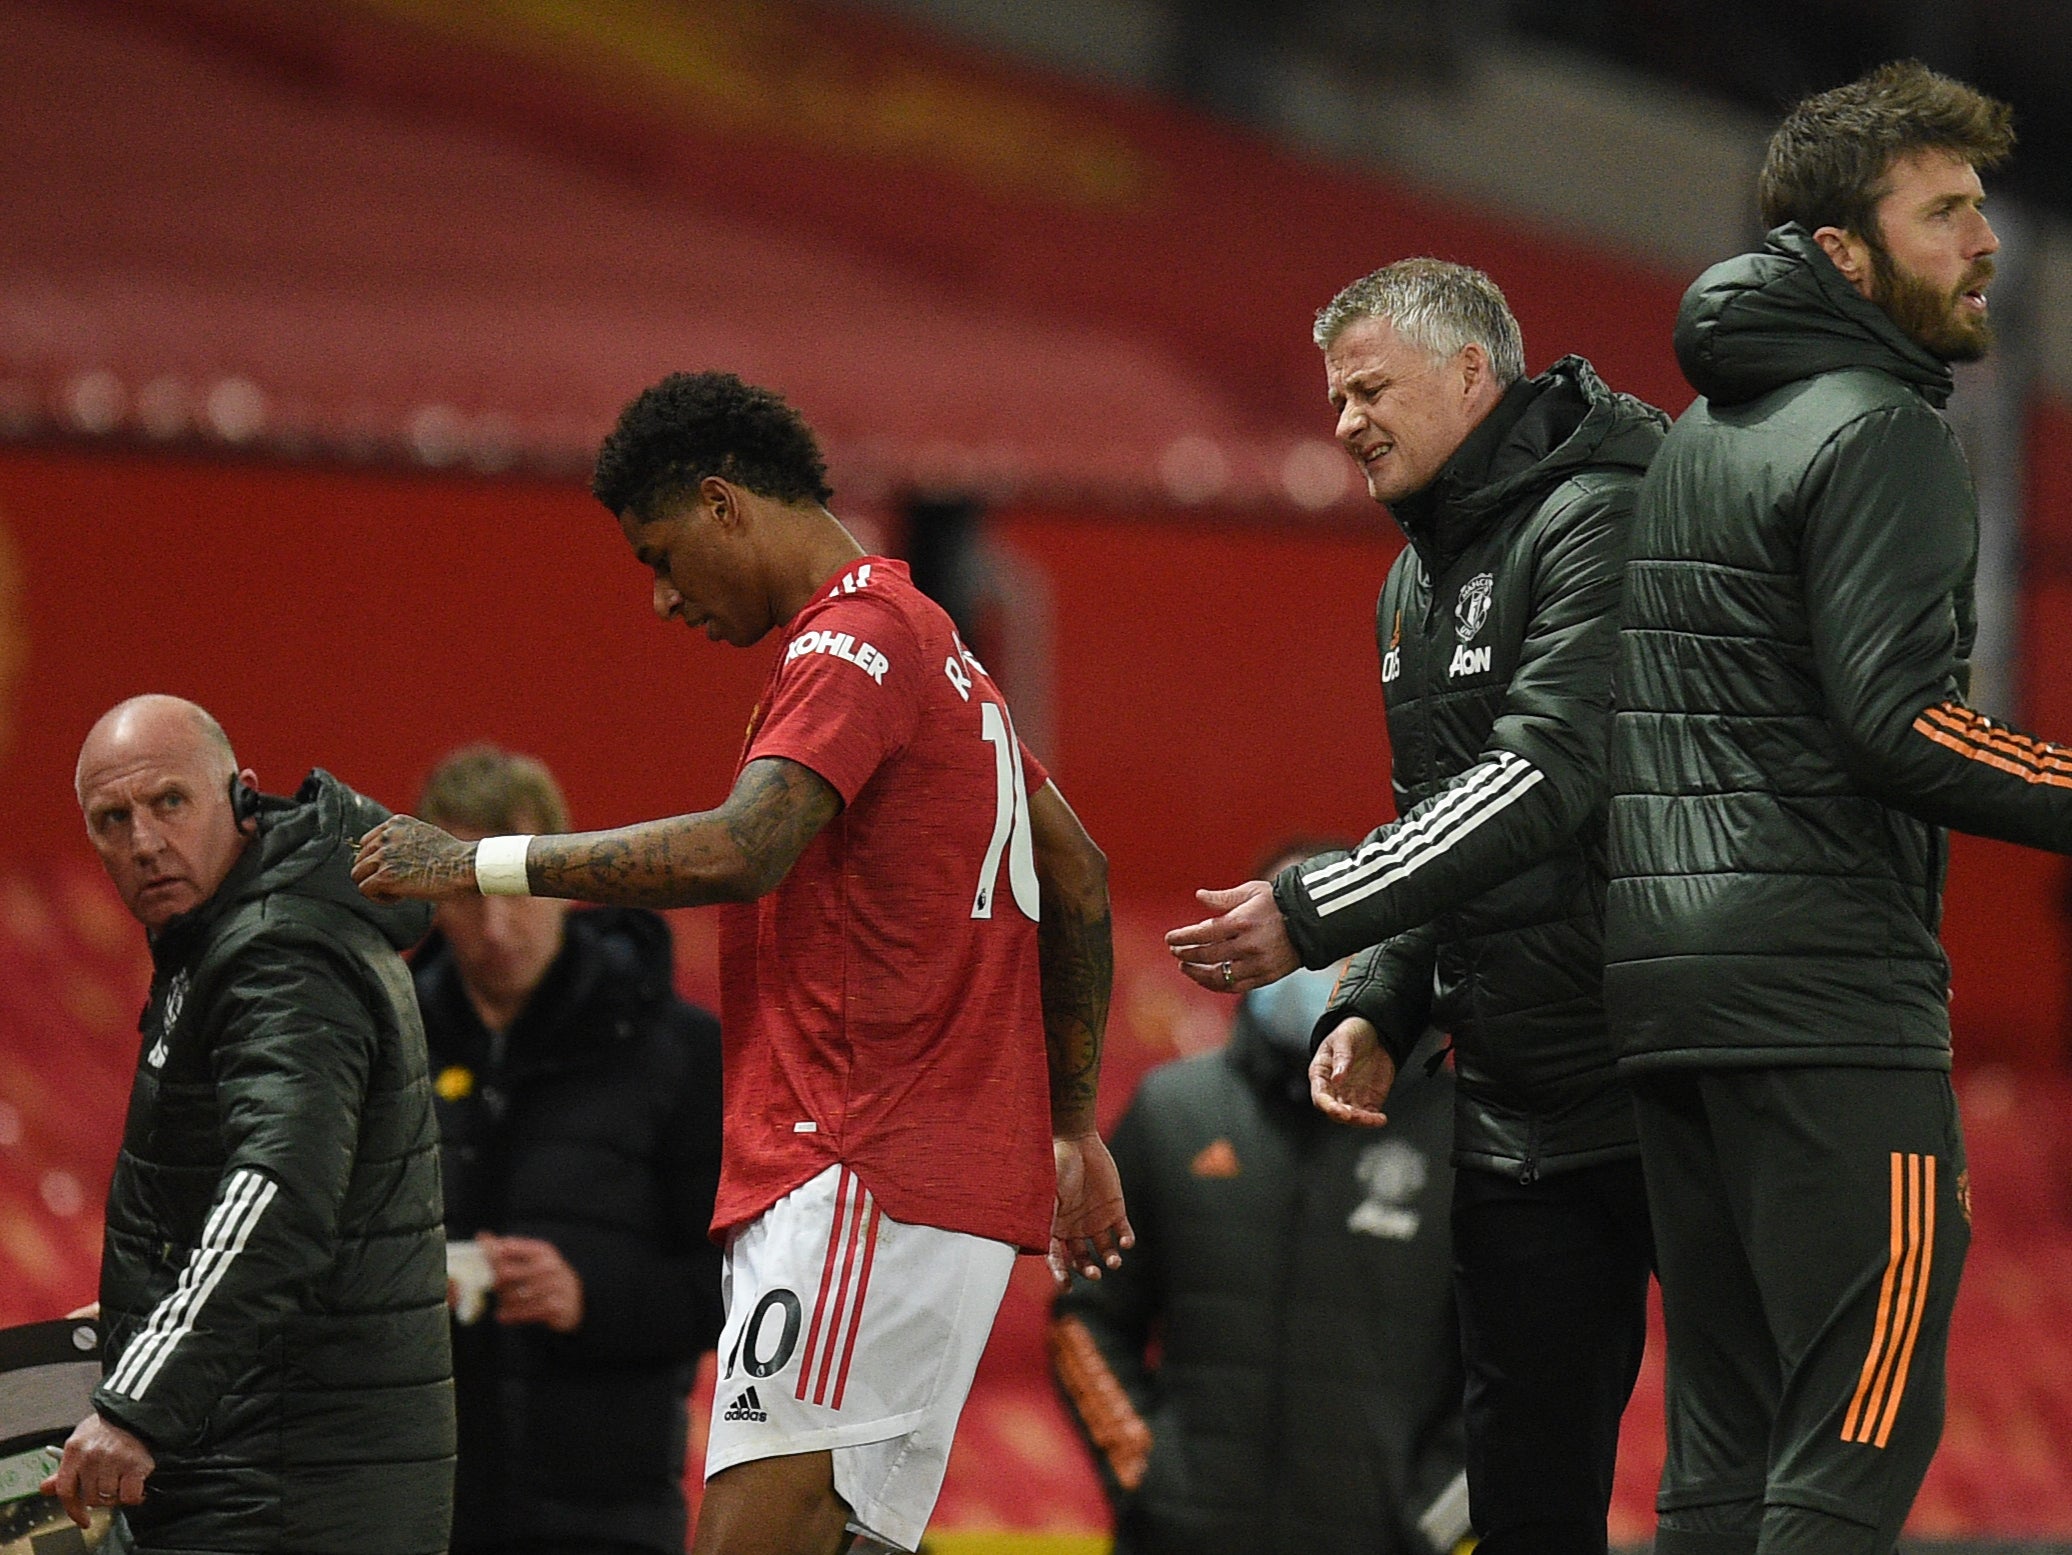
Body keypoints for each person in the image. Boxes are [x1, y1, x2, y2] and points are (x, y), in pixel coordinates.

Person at [353, 371, 1132, 1555]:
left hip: (857, 1168)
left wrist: (475, 865)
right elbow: (1077, 877)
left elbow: (745, 845)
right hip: (936, 1194)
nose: (664, 599)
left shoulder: (854, 640)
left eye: (659, 555)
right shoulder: (941, 650)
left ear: (724, 505)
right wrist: (1067, 1125)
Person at [1165, 258, 1664, 1555]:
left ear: (1468, 373)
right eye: (1336, 400)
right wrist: (1383, 999)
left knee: (1739, 1473)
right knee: (1527, 1496)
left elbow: (1552, 770)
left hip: (1673, 1073)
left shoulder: (1602, 516)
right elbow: (1437, 816)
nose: (1344, 424)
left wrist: (1319, 908)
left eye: (1370, 390)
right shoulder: (1411, 583)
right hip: (1514, 1098)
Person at [1605, 61, 2035, 1555]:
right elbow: (1902, 724)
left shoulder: (1697, 435)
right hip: (1827, 994)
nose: (1986, 241)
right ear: (1844, 255)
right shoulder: (1886, 430)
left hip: (1668, 1002)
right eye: (1945, 213)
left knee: (1727, 1446)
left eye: (1981, 208)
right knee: (1865, 1415)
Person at [48, 695, 453, 1553]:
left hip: (283, 1490)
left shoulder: (279, 952)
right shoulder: (230, 935)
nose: (145, 842)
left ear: (241, 795)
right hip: (275, 1473)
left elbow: (276, 1199)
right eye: (112, 820)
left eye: (169, 802)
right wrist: (147, 1306)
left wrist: (138, 1404)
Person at [1053, 846, 1467, 1555]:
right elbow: (1086, 1318)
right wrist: (1148, 1476)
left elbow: (1519, 1367)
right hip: (1182, 1535)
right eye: (1292, 931)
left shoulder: (1465, 1135)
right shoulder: (1172, 1111)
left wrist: (1431, 1519)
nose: (1316, 962)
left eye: (1339, 934)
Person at [411, 744, 725, 1555]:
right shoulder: (387, 1043)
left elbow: (732, 1286)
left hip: (607, 1509)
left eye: (517, 891)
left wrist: (588, 1296)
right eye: (468, 895)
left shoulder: (676, 1049)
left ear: (562, 876)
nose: (497, 926)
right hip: (421, 1501)